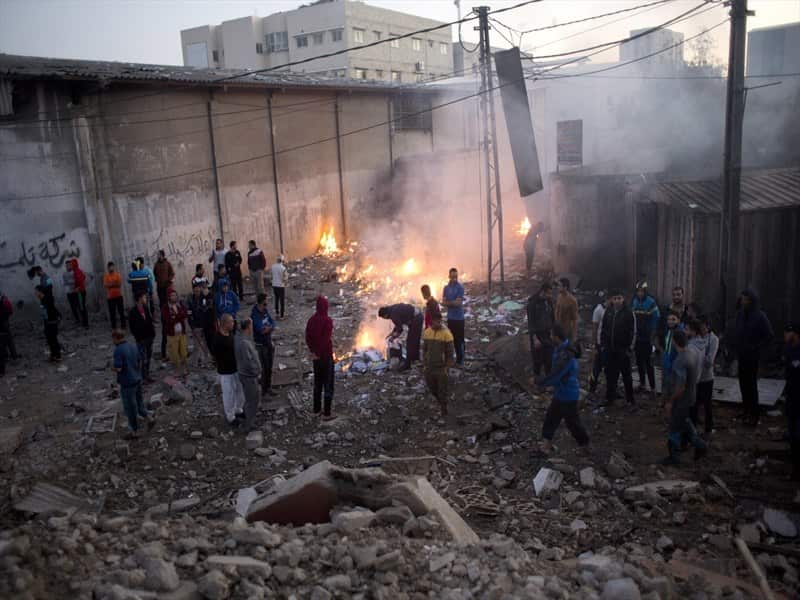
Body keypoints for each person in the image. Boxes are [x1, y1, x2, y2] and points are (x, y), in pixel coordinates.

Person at [536, 324, 589, 455]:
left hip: (567, 394)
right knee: (551, 418)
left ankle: (585, 445)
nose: (550, 337)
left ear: (556, 337)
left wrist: (539, 382)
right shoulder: (562, 347)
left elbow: (555, 376)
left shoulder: (566, 355)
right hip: (561, 392)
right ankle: (546, 444)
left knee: (572, 422)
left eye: (551, 335)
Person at [662, 330, 707, 465]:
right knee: (685, 422)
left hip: (681, 398)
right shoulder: (691, 353)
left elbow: (680, 386)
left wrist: (670, 401)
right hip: (691, 395)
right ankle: (701, 446)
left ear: (674, 341)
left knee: (674, 426)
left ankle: (674, 457)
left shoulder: (680, 360)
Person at [732, 289, 774, 427]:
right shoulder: (740, 315)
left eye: (745, 299)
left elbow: (769, 336)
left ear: (751, 301)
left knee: (751, 385)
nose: (742, 301)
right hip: (742, 355)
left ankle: (754, 415)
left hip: (753, 357)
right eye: (742, 298)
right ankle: (746, 411)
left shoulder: (760, 316)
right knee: (743, 384)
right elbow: (736, 331)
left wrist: (756, 347)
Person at [112, 329, 154, 439]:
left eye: (113, 339)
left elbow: (119, 368)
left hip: (127, 382)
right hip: (137, 379)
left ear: (116, 338)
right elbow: (140, 360)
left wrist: (112, 368)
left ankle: (134, 431)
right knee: (139, 403)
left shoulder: (118, 350)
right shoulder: (133, 346)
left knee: (130, 408)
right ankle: (149, 418)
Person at [601, 290, 636, 408]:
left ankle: (630, 399)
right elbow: (604, 329)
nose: (617, 300)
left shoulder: (628, 313)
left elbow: (633, 331)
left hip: (623, 349)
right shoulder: (608, 311)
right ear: (612, 299)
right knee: (611, 375)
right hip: (610, 349)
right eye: (615, 298)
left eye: (619, 298)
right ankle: (609, 398)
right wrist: (603, 345)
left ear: (623, 299)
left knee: (626, 375)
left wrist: (629, 348)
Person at [213, 313, 245, 427]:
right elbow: (218, 356)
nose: (233, 323)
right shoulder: (218, 339)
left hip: (236, 368)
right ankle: (230, 416)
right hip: (226, 371)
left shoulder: (230, 333)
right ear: (225, 324)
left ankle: (238, 409)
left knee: (239, 390)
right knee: (229, 394)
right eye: (231, 321)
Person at [306, 295, 335, 420]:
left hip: (316, 358)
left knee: (317, 384)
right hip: (325, 357)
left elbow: (307, 337)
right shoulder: (327, 320)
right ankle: (327, 413)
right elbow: (325, 339)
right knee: (328, 384)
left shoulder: (311, 320)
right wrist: (318, 351)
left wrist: (313, 351)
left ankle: (316, 410)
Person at [422, 309, 455, 416]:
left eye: (439, 321)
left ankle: (444, 409)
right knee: (432, 388)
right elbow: (424, 349)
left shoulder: (446, 334)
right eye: (435, 321)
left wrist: (447, 367)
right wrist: (424, 363)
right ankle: (440, 402)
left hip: (441, 368)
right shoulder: (427, 332)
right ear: (431, 321)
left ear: (441, 320)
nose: (437, 323)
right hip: (430, 367)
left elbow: (450, 353)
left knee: (442, 390)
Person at [691, 315, 719, 435]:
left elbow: (709, 361)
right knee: (694, 403)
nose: (700, 329)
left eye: (702, 326)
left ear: (707, 326)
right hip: (695, 377)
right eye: (698, 326)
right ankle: (693, 427)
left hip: (706, 377)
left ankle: (708, 427)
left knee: (707, 404)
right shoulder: (695, 337)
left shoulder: (713, 339)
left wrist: (699, 355)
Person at [631, 282, 660, 395]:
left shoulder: (651, 302)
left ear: (645, 291)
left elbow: (656, 318)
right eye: (638, 291)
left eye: (642, 291)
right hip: (637, 337)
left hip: (648, 337)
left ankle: (652, 387)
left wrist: (652, 334)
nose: (640, 293)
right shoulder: (634, 302)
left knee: (649, 363)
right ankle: (642, 384)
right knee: (639, 362)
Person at [235, 318, 262, 432]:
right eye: (251, 325)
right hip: (249, 375)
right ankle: (248, 425)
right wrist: (256, 372)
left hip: (244, 374)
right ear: (248, 327)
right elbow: (248, 362)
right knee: (252, 399)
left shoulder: (239, 338)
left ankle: (249, 419)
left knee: (250, 398)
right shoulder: (244, 343)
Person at [378, 303, 423, 371]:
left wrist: (393, 337)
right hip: (417, 316)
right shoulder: (392, 309)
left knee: (410, 342)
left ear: (385, 315)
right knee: (415, 340)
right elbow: (398, 324)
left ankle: (407, 365)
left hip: (416, 319)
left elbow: (400, 329)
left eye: (384, 318)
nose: (386, 319)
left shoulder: (393, 314)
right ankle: (415, 359)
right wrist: (392, 333)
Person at [782, 322, 800, 480]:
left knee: (797, 434)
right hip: (792, 397)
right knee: (793, 433)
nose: (785, 336)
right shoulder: (789, 350)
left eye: (788, 333)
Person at [527, 282, 555, 376]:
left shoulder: (549, 302)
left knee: (549, 359)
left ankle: (548, 380)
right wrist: (535, 338)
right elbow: (531, 322)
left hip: (547, 334)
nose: (550, 295)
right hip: (538, 335)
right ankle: (537, 381)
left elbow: (552, 317)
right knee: (537, 360)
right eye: (548, 293)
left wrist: (552, 332)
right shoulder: (533, 303)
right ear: (543, 292)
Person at [251, 293, 276, 397]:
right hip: (261, 345)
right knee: (264, 369)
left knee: (269, 367)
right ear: (262, 301)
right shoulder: (254, 314)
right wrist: (269, 328)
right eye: (266, 300)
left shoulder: (265, 311)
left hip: (268, 342)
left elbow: (273, 322)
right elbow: (260, 329)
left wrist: (269, 328)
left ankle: (269, 387)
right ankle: (264, 391)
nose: (267, 302)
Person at [128, 291, 156, 383]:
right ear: (140, 298)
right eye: (144, 297)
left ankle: (146, 375)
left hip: (149, 337)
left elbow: (149, 321)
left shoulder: (145, 308)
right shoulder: (132, 312)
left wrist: (152, 333)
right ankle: (142, 377)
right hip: (141, 339)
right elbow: (132, 327)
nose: (145, 299)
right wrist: (138, 337)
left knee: (148, 358)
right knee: (141, 359)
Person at [162, 289, 189, 376]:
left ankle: (184, 368)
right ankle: (177, 370)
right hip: (172, 334)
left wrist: (175, 316)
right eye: (172, 295)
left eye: (175, 295)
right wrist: (178, 316)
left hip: (182, 332)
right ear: (169, 297)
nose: (174, 297)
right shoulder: (165, 308)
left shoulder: (180, 305)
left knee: (184, 352)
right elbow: (168, 320)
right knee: (174, 354)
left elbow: (185, 314)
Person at [442, 267, 466, 365]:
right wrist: (452, 303)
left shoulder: (460, 287)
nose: (454, 279)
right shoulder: (446, 288)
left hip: (459, 318)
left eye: (456, 277)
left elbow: (458, 303)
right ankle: (452, 359)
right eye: (452, 277)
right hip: (450, 318)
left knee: (459, 340)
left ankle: (461, 360)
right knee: (451, 339)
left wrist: (449, 303)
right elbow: (444, 302)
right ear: (449, 276)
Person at [187, 282, 214, 368]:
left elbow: (207, 310)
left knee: (206, 345)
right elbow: (189, 314)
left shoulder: (204, 299)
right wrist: (192, 326)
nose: (197, 293)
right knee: (196, 346)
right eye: (196, 291)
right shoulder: (191, 301)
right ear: (193, 291)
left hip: (205, 326)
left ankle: (206, 361)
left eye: (199, 291)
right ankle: (195, 363)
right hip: (196, 326)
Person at [659, 311, 684, 401]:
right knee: (665, 382)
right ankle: (665, 400)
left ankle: (673, 403)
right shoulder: (669, 330)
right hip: (667, 361)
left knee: (674, 384)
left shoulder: (680, 332)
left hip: (675, 363)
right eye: (669, 319)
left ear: (678, 320)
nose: (670, 321)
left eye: (673, 319)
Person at [36, 285, 62, 362]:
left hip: (51, 322)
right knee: (50, 340)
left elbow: (52, 310)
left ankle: (58, 355)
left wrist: (57, 317)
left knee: (53, 339)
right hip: (48, 322)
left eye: (36, 292)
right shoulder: (43, 300)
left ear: (40, 292)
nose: (36, 294)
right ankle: (53, 355)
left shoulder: (47, 300)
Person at [589, 293, 609, 394]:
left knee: (609, 368)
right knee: (597, 367)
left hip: (607, 344)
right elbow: (594, 328)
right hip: (599, 343)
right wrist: (594, 345)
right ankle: (592, 387)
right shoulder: (598, 310)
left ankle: (609, 389)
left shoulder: (611, 310)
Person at [63, 258, 89, 328]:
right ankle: (82, 322)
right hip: (76, 292)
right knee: (78, 307)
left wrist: (78, 287)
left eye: (70, 264)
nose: (69, 266)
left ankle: (85, 323)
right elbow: (67, 283)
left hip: (79, 292)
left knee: (81, 307)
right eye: (67, 265)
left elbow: (81, 281)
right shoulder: (75, 272)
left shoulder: (77, 272)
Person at [555, 277, 579, 344]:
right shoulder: (559, 296)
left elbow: (575, 319)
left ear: (565, 287)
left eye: (559, 286)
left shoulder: (572, 300)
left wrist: (574, 336)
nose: (557, 287)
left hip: (567, 332)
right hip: (558, 330)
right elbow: (556, 312)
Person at [103, 262, 126, 329]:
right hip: (110, 298)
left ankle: (123, 325)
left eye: (112, 266)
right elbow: (106, 285)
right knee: (112, 313)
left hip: (118, 296)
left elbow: (119, 284)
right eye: (110, 267)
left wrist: (111, 284)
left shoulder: (117, 275)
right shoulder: (106, 276)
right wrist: (114, 283)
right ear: (108, 268)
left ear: (114, 267)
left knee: (121, 312)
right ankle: (114, 327)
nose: (111, 268)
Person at [0, 291, 15, 376]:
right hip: (4, 323)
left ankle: (12, 355)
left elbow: (8, 311)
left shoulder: (4, 301)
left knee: (7, 340)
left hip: (3, 324)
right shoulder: (4, 300)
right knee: (6, 341)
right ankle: (10, 355)